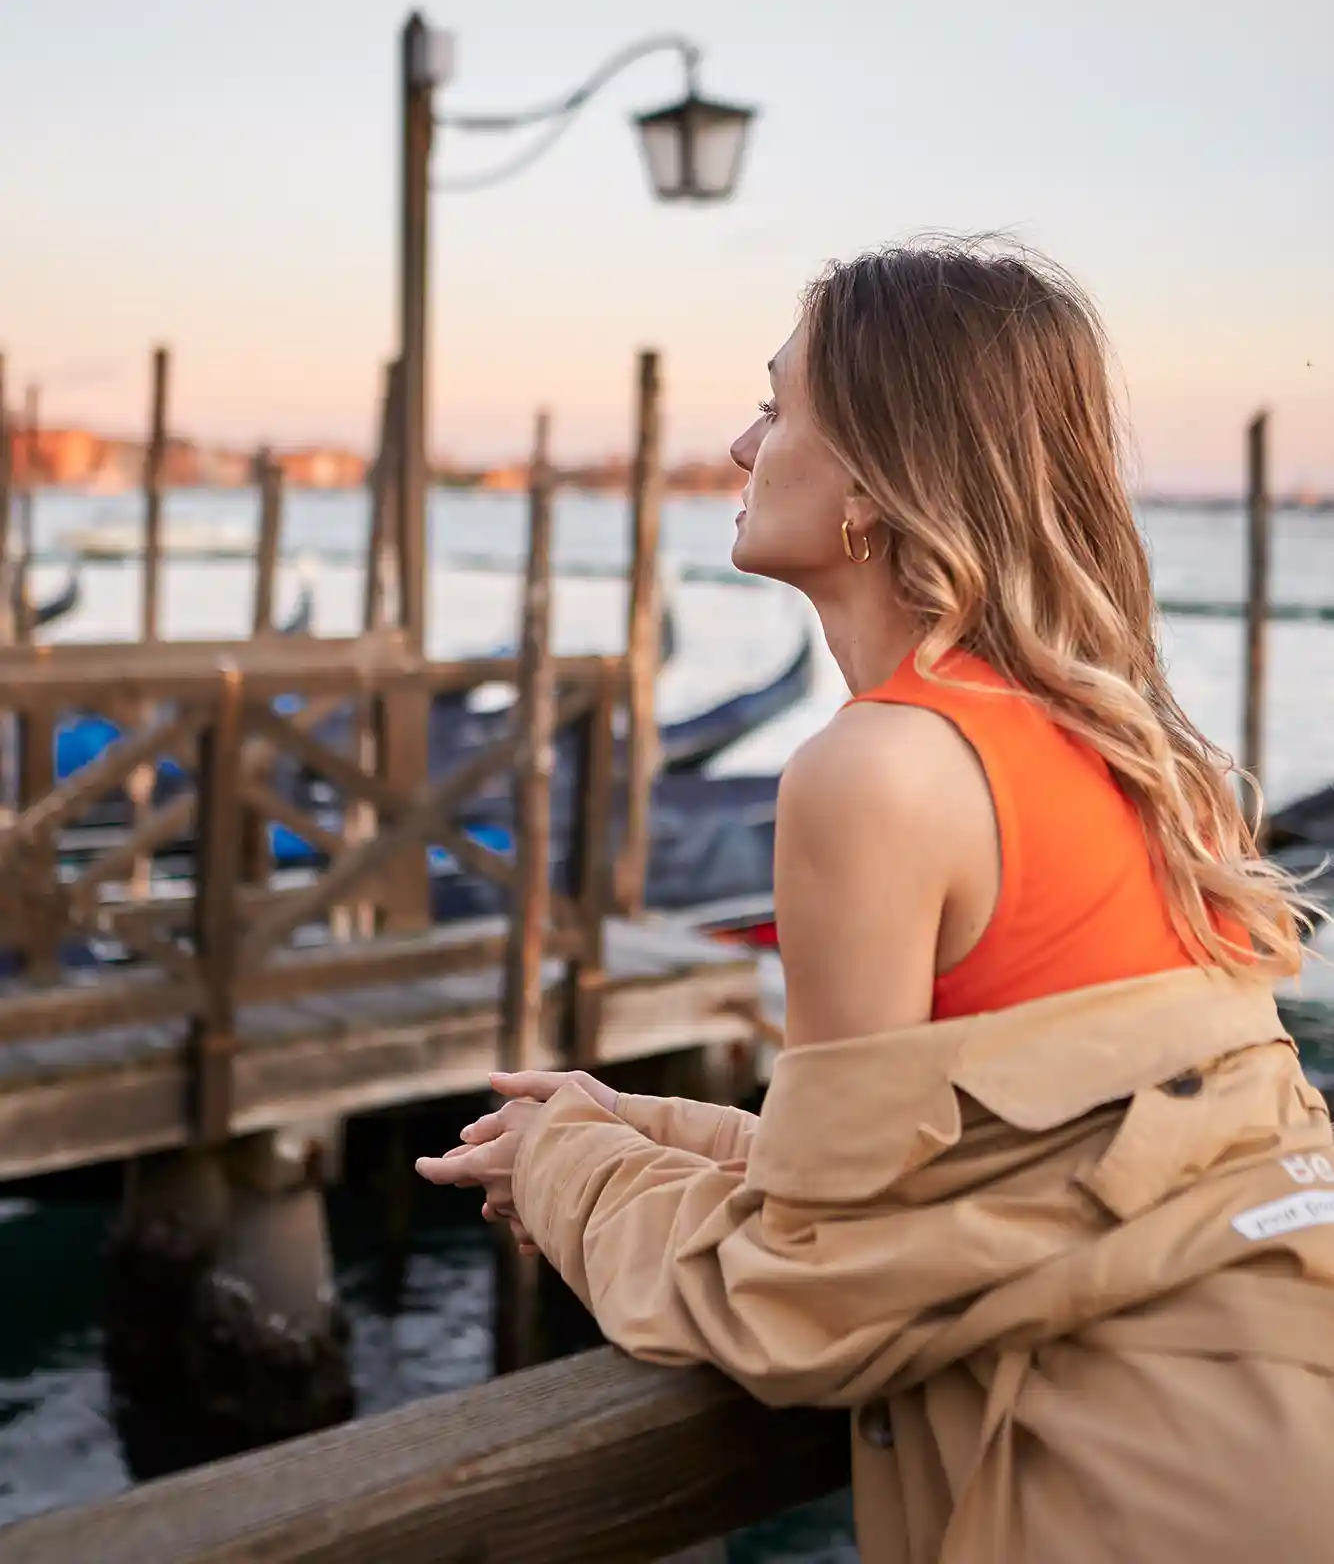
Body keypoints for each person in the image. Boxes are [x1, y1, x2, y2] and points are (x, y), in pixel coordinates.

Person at [417, 239, 1334, 1562]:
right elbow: (991, 1178)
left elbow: (804, 1300)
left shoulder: (877, 770)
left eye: (776, 406)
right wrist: (648, 1125)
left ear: (874, 478)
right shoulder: (1134, 754)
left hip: (1128, 1497)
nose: (741, 446)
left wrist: (566, 1168)